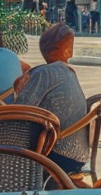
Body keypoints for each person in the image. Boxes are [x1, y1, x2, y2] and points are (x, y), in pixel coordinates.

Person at [12, 25, 88, 175]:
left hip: (56, 153)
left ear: (47, 48)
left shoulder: (45, 73)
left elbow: (19, 110)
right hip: (78, 153)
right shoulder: (68, 72)